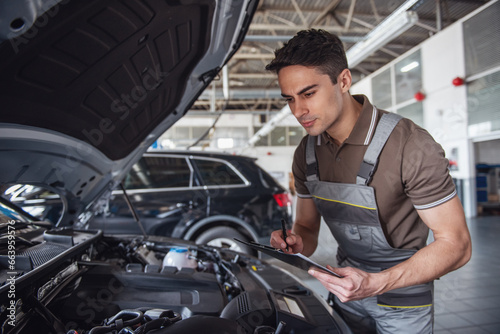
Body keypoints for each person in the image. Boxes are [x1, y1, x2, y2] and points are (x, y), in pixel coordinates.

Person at [266, 29, 472, 334]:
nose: (298, 111)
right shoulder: (306, 153)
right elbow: (307, 229)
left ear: (344, 81)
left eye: (309, 94)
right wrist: (296, 243)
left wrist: (377, 283)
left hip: (403, 298)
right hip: (345, 289)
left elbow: (457, 245)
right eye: (290, 99)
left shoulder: (409, 145)